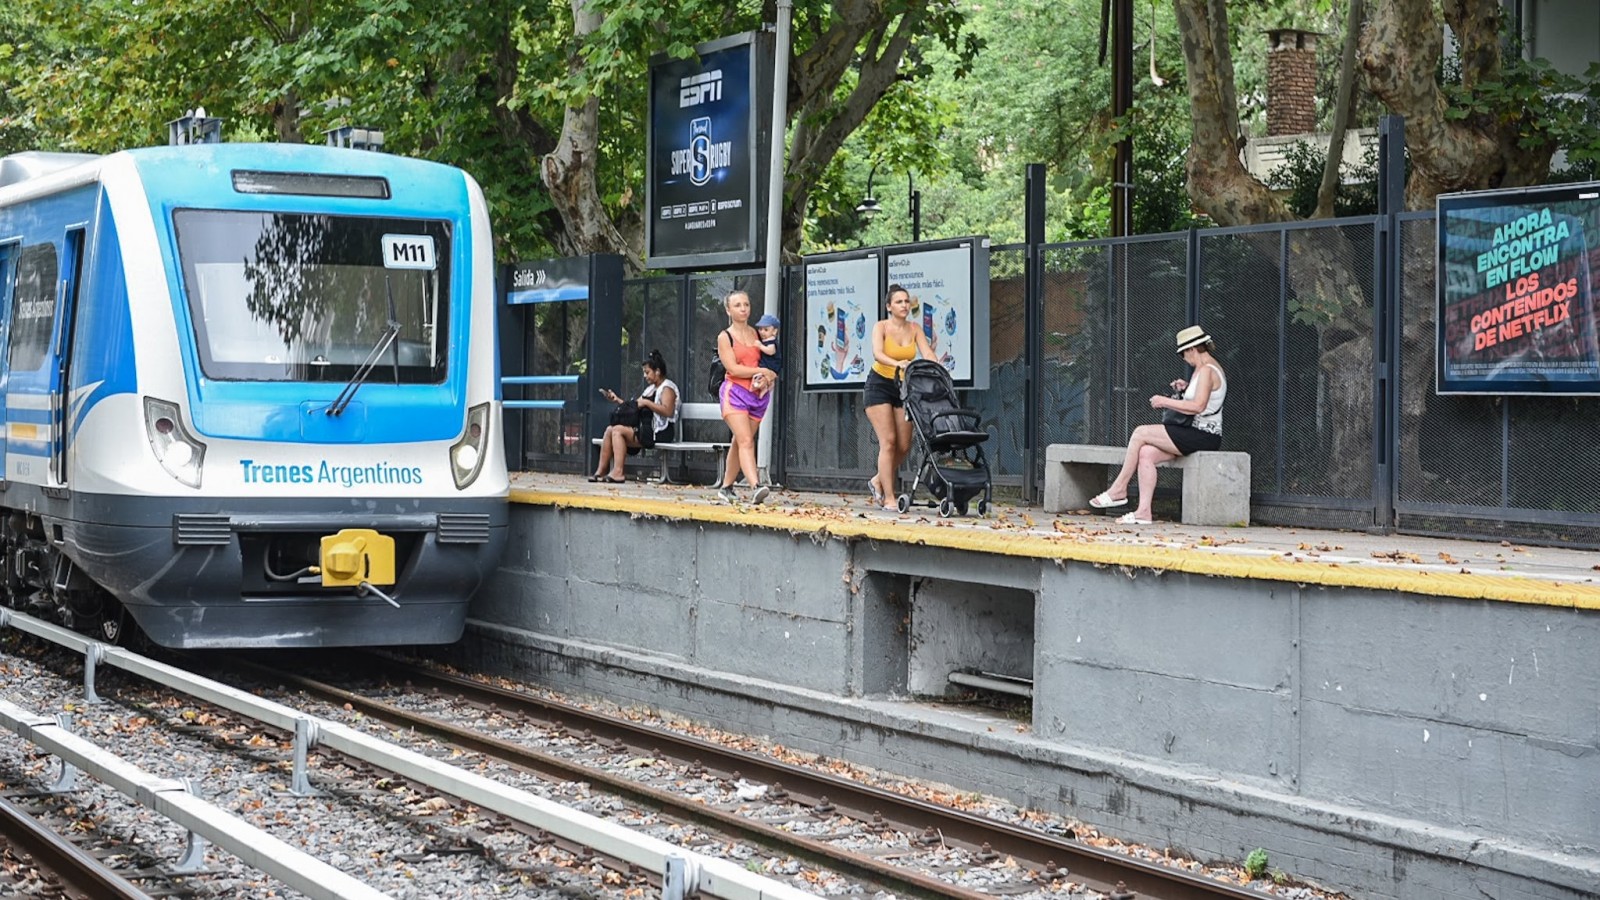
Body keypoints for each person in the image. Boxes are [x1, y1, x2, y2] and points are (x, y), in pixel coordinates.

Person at [1089, 325, 1227, 524]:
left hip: (1203, 436)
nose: (1184, 358)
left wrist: (1165, 401)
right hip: (1190, 433)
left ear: (1192, 349)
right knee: (1146, 453)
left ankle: (1119, 488)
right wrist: (1186, 388)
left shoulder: (1207, 370)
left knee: (1140, 433)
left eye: (1183, 353)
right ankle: (1143, 511)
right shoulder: (1202, 370)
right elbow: (1204, 399)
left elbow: (1198, 406)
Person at [864, 284, 936, 512]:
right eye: (899, 302)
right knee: (889, 442)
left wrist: (938, 370)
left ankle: (877, 479)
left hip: (904, 388)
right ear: (889, 306)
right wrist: (897, 363)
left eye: (906, 301)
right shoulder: (881, 327)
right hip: (880, 385)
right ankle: (889, 497)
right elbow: (877, 353)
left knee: (904, 445)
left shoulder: (915, 328)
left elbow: (928, 354)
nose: (904, 305)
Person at [713, 290, 772, 505]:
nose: (743, 308)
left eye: (746, 304)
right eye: (737, 305)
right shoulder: (725, 336)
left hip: (757, 395)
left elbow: (770, 364)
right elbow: (733, 369)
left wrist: (768, 375)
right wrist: (761, 371)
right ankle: (755, 485)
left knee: (739, 441)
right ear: (728, 310)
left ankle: (726, 487)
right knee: (747, 440)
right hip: (735, 393)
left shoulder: (758, 334)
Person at [590, 349, 679, 483]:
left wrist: (647, 403)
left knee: (617, 430)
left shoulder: (668, 388)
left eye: (647, 372)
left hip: (662, 431)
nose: (645, 376)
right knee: (610, 429)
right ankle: (601, 471)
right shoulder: (650, 389)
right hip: (647, 429)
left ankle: (618, 472)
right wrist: (617, 400)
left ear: (658, 371)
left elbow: (668, 411)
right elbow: (634, 407)